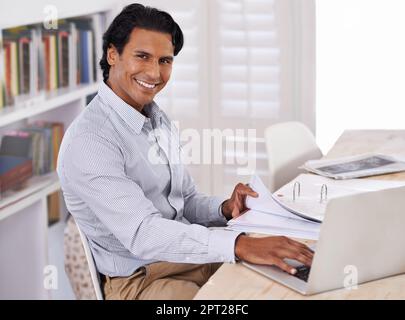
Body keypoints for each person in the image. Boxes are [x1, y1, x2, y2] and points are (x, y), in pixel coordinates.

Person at [57, 3, 313, 300]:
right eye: (142, 56)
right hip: (141, 279)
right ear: (112, 54)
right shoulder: (91, 141)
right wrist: (237, 245)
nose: (154, 72)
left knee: (288, 279)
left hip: (187, 258)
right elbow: (143, 234)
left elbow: (184, 201)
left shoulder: (155, 118)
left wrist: (224, 209)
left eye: (165, 60)